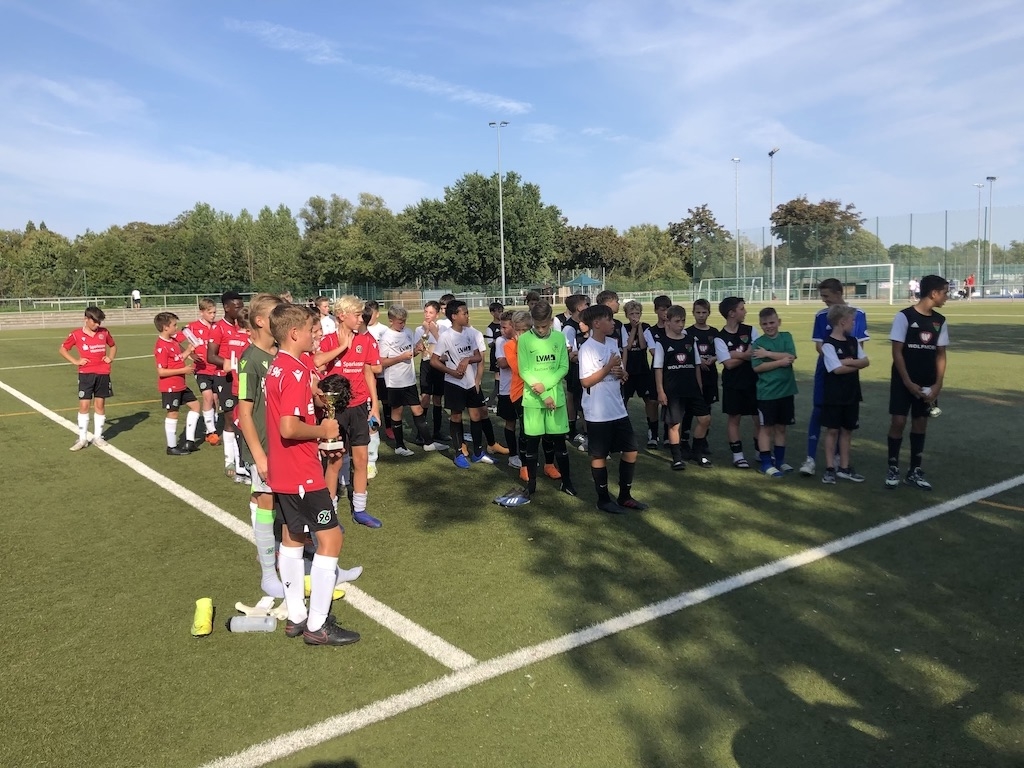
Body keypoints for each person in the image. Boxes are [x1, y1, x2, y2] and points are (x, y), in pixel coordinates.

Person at [265, 303, 360, 646]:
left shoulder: (283, 365)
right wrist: (324, 430)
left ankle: (295, 616)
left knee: (292, 537)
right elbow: (289, 427)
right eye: (310, 330)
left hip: (283, 469)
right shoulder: (291, 372)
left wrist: (320, 399)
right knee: (331, 539)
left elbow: (304, 400)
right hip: (301, 471)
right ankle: (317, 624)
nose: (315, 335)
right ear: (294, 334)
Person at [234, 293, 287, 598]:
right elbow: (244, 412)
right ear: (260, 321)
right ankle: (268, 573)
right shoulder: (250, 360)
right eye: (276, 314)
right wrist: (259, 456)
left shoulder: (281, 353)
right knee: (266, 500)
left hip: (286, 442)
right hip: (264, 447)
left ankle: (289, 555)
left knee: (281, 500)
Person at [317, 296, 382, 527]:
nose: (361, 319)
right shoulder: (328, 340)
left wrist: (375, 406)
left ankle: (360, 510)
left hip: (359, 407)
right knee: (334, 461)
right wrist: (342, 347)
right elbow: (317, 363)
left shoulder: (365, 340)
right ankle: (331, 513)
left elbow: (369, 373)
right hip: (335, 410)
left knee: (361, 459)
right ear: (342, 315)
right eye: (356, 315)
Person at [578, 303, 648, 514]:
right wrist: (608, 367)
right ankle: (603, 500)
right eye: (608, 319)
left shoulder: (612, 342)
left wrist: (621, 373)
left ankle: (625, 496)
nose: (613, 323)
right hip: (598, 413)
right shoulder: (587, 348)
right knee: (599, 455)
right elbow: (586, 381)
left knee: (631, 450)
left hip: (618, 409)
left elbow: (621, 372)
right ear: (597, 323)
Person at [885, 274, 950, 490]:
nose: (947, 297)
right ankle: (893, 466)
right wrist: (907, 381)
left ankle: (914, 470)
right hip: (903, 380)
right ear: (934, 293)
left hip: (927, 381)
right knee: (898, 421)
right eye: (945, 293)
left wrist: (938, 384)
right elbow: (897, 352)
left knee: (920, 422)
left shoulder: (940, 321)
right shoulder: (904, 316)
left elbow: (941, 354)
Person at [800, 279, 869, 477]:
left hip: (848, 371)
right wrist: (835, 361)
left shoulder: (858, 314)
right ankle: (810, 459)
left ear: (839, 293)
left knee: (844, 417)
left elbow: (859, 347)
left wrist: (848, 362)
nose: (824, 300)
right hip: (825, 370)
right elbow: (819, 346)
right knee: (819, 409)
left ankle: (839, 459)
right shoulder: (821, 315)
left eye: (826, 296)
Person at [517, 300, 575, 498]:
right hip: (533, 401)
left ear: (551, 321)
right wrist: (542, 394)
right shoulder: (525, 340)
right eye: (537, 326)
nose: (541, 330)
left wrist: (546, 387)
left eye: (544, 326)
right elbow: (524, 370)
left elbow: (563, 367)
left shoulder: (559, 338)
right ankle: (531, 485)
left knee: (559, 443)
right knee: (532, 443)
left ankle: (567, 482)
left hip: (555, 400)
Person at [378, 305, 448, 455]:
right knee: (397, 411)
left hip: (409, 379)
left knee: (418, 410)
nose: (402, 324)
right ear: (391, 321)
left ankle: (428, 443)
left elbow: (411, 354)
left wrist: (416, 350)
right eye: (400, 322)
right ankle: (399, 446)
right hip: (395, 381)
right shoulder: (386, 337)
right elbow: (382, 362)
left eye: (404, 321)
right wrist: (400, 357)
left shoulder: (408, 332)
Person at [431, 300, 492, 468]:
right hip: (454, 384)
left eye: (467, 313)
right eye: (464, 313)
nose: (467, 316)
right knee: (456, 416)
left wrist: (467, 359)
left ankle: (478, 453)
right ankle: (458, 453)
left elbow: (478, 356)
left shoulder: (470, 334)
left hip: (470, 382)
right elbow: (434, 361)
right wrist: (451, 372)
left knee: (476, 416)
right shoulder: (446, 336)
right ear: (454, 316)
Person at [653, 305, 711, 471]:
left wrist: (699, 386)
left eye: (683, 321)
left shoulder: (690, 340)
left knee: (705, 419)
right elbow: (658, 369)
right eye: (677, 321)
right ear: (668, 322)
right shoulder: (662, 343)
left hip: (692, 388)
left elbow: (697, 365)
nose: (681, 324)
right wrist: (660, 391)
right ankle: (677, 458)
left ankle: (697, 453)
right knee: (674, 425)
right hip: (673, 391)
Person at [820, 304, 870, 484]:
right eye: (852, 320)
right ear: (842, 322)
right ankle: (829, 468)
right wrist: (853, 364)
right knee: (833, 430)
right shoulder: (828, 344)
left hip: (852, 393)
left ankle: (844, 467)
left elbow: (865, 362)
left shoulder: (853, 341)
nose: (853, 323)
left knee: (847, 430)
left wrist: (847, 362)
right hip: (834, 395)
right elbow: (836, 370)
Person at [60, 305, 116, 450]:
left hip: (103, 373)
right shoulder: (76, 334)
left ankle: (98, 437)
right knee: (84, 405)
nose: (97, 325)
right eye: (95, 322)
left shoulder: (104, 332)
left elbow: (113, 346)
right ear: (86, 319)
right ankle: (82, 439)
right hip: (86, 374)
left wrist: (110, 357)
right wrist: (75, 361)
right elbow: (63, 349)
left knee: (100, 405)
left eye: (99, 322)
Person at [750, 307, 798, 477]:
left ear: (779, 322)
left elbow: (791, 357)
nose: (769, 326)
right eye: (765, 324)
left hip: (786, 392)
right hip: (767, 393)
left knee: (781, 428)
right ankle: (765, 463)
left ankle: (780, 461)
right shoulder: (758, 343)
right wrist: (779, 361)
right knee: (766, 428)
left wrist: (768, 354)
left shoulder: (786, 337)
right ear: (760, 325)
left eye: (772, 322)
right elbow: (757, 367)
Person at [207, 291, 249, 479]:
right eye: (236, 306)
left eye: (241, 306)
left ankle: (242, 461)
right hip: (225, 378)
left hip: (240, 377)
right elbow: (211, 356)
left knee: (242, 418)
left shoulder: (242, 326)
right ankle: (230, 461)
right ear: (226, 307)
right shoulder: (218, 328)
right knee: (231, 419)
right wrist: (230, 363)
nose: (240, 309)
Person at [714, 297, 760, 469]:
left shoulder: (751, 330)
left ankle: (760, 451)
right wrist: (744, 355)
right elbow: (728, 364)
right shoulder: (719, 338)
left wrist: (733, 354)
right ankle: (738, 456)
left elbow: (755, 354)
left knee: (759, 419)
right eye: (742, 308)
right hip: (733, 384)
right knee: (734, 419)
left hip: (754, 382)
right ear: (731, 313)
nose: (745, 311)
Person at [153, 312, 201, 456]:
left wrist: (188, 351)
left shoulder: (173, 342)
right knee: (173, 413)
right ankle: (172, 446)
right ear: (165, 327)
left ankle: (189, 441)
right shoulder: (161, 346)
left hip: (180, 384)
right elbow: (161, 371)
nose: (176, 327)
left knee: (195, 406)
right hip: (170, 386)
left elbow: (177, 359)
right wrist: (183, 370)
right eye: (174, 325)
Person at [179, 298, 220, 445]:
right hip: (202, 369)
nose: (213, 315)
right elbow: (175, 341)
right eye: (210, 313)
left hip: (217, 368)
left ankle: (212, 424)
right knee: (207, 396)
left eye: (214, 312)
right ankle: (211, 432)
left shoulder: (217, 327)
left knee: (215, 398)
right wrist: (190, 354)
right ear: (201, 312)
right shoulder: (192, 327)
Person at [683, 298, 719, 457]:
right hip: (692, 376)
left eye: (704, 312)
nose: (701, 315)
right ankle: (684, 441)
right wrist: (699, 361)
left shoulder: (714, 332)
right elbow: (685, 353)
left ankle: (702, 440)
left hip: (710, 376)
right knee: (689, 410)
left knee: (707, 409)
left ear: (709, 313)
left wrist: (713, 359)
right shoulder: (688, 332)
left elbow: (721, 352)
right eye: (698, 312)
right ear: (693, 313)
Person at [622, 300, 660, 448]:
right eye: (631, 313)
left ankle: (653, 432)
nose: (635, 316)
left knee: (650, 401)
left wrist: (638, 328)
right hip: (628, 370)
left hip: (642, 370)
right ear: (627, 315)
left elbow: (643, 345)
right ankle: (624, 432)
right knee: (623, 401)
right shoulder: (624, 328)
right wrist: (633, 329)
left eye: (637, 313)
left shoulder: (646, 327)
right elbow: (628, 346)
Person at [494, 310, 522, 469]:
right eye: (501, 327)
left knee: (526, 425)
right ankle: (513, 456)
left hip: (524, 388)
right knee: (510, 422)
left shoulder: (524, 339)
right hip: (507, 390)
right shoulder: (501, 341)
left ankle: (525, 455)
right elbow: (503, 363)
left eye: (505, 327)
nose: (501, 330)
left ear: (514, 326)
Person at [418, 300, 447, 442]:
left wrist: (434, 332)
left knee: (437, 399)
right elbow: (418, 349)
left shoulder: (443, 329)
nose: (427, 315)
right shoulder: (419, 329)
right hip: (426, 365)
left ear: (437, 315)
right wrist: (426, 331)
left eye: (431, 312)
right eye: (426, 312)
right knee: (425, 398)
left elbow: (446, 347)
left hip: (439, 365)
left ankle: (437, 431)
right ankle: (421, 434)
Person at [483, 301, 504, 409]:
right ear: (492, 313)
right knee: (498, 379)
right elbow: (490, 344)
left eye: (501, 311)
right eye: (498, 311)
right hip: (496, 355)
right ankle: (491, 401)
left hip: (506, 354)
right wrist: (498, 340)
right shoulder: (490, 327)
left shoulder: (504, 324)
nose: (500, 313)